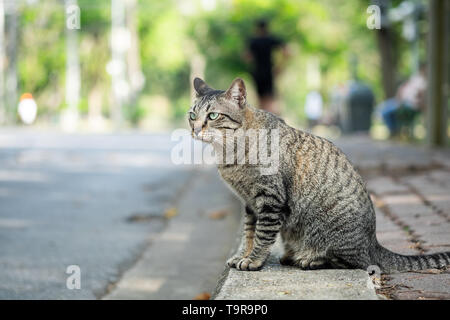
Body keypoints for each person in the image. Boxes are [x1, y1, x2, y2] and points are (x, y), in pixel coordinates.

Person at [245, 19, 289, 115]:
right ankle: (272, 120)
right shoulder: (271, 39)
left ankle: (264, 120)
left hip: (258, 73)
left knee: (261, 101)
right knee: (270, 99)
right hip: (269, 72)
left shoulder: (253, 41)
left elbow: (247, 57)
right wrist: (280, 66)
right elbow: (287, 51)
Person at [381, 63, 427, 137]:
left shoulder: (425, 82)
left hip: (410, 103)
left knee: (387, 112)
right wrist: (400, 94)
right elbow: (403, 87)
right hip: (401, 100)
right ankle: (394, 131)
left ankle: (394, 131)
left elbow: (421, 96)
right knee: (383, 108)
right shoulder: (415, 78)